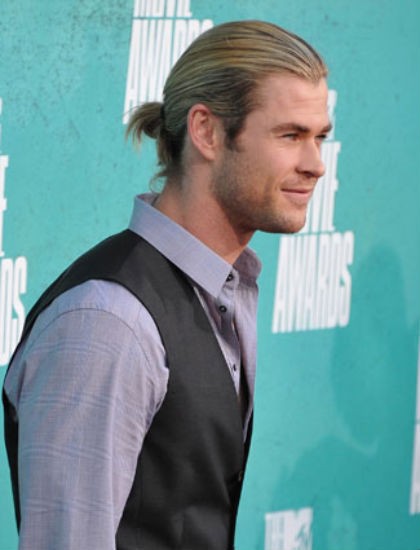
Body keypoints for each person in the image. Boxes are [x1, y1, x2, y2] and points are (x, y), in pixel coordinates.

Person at [3, 20, 330, 550]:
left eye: (320, 138)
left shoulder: (227, 289)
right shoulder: (108, 322)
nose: (316, 165)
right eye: (290, 135)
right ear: (206, 131)